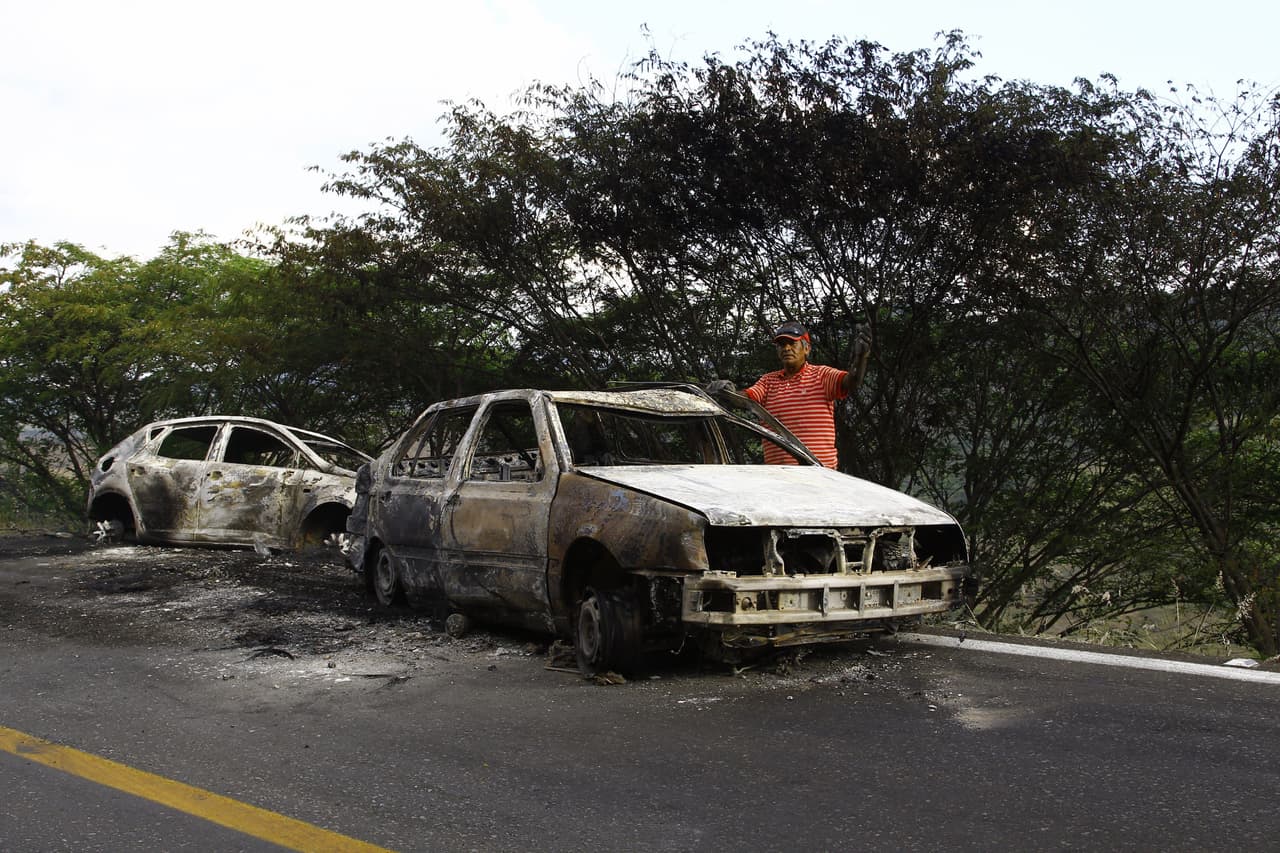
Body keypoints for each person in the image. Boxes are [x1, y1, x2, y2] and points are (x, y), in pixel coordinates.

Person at [708, 320, 871, 469]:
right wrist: (728, 392)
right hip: (779, 478)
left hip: (819, 475)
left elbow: (852, 381)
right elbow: (746, 399)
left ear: (807, 348)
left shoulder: (821, 375)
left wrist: (861, 358)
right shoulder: (768, 381)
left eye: (792, 343)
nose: (786, 348)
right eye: (781, 345)